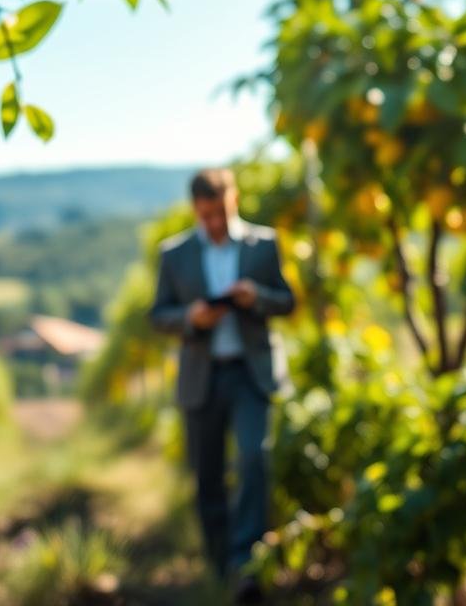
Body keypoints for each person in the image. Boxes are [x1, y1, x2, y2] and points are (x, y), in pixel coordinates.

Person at [150, 168, 295, 604]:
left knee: (254, 458)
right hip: (203, 374)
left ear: (234, 202)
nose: (214, 223)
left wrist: (258, 298)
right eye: (205, 215)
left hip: (250, 373)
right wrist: (191, 319)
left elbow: (286, 300)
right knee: (207, 476)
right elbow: (159, 315)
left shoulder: (263, 245)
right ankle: (220, 565)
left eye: (221, 212)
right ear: (195, 210)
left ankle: (245, 563)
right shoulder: (174, 255)